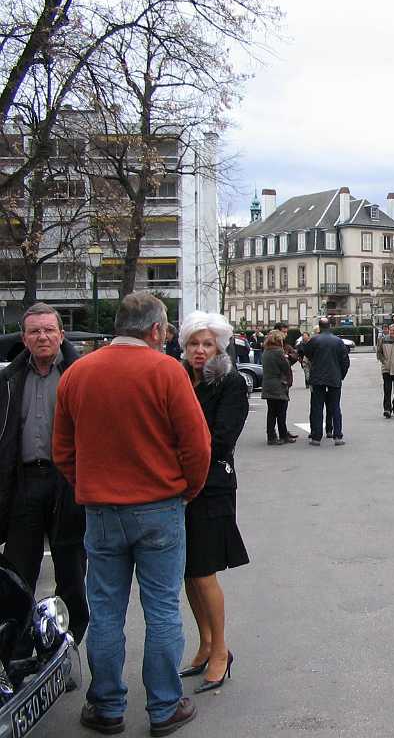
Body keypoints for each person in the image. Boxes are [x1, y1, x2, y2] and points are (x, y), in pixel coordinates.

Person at [53, 291, 211, 736]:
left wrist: (87, 484)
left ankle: (107, 705)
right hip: (160, 506)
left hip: (101, 509)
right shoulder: (166, 372)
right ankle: (163, 706)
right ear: (156, 330)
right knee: (161, 608)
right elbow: (196, 445)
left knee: (105, 609)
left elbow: (62, 448)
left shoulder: (78, 373)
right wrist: (187, 490)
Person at [0, 303, 89, 646]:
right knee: (18, 569)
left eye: (49, 330)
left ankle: (67, 647)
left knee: (70, 570)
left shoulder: (78, 374)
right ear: (24, 338)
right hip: (24, 482)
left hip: (68, 481)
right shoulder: (9, 379)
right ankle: (18, 646)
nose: (42, 337)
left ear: (61, 334)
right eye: (35, 331)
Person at [177, 311, 249, 696]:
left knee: (204, 570)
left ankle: (221, 650)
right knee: (189, 571)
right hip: (179, 485)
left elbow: (222, 438)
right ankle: (204, 642)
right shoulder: (178, 378)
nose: (200, 351)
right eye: (193, 344)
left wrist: (178, 454)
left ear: (219, 346)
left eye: (207, 344)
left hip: (212, 484)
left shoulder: (230, 382)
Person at [303, 317, 350, 446]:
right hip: (334, 378)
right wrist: (340, 375)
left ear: (320, 326)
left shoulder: (314, 340)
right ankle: (337, 435)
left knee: (317, 407)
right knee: (335, 407)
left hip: (317, 378)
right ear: (330, 326)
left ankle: (316, 436)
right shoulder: (338, 341)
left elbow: (307, 353)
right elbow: (345, 361)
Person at [261, 330, 294, 444]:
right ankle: (283, 435)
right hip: (278, 384)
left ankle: (271, 436)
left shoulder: (266, 351)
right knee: (281, 412)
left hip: (267, 384)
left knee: (271, 412)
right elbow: (285, 367)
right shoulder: (278, 352)